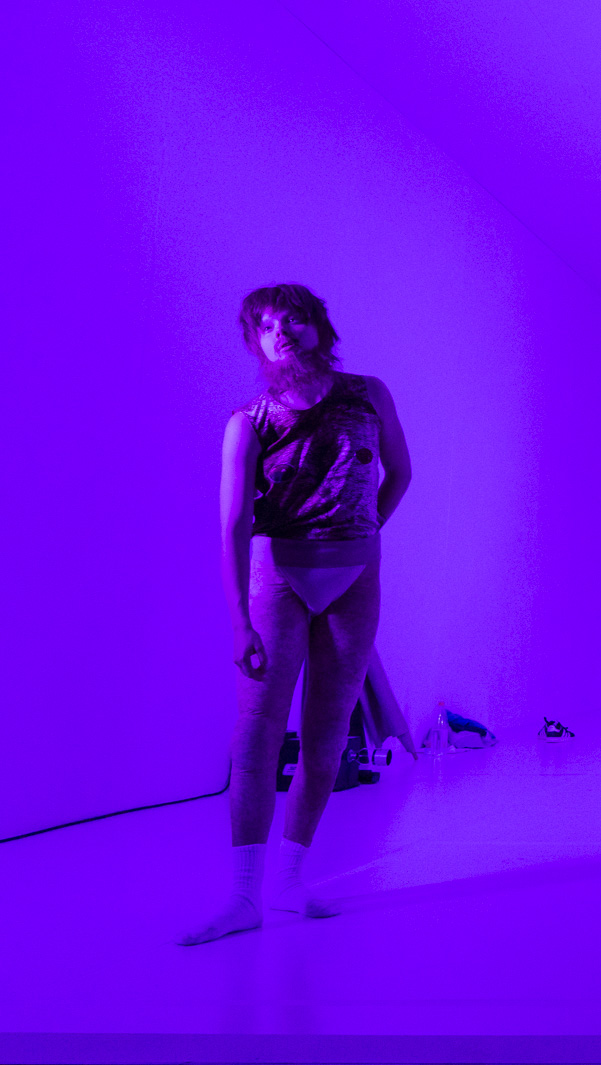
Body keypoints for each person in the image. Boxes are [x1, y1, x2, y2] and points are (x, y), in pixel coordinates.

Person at [180, 284, 411, 944]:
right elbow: (232, 525)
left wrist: (361, 530)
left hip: (355, 577)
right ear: (255, 342)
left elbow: (400, 472)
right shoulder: (249, 421)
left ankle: (288, 880)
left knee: (327, 733)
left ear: (319, 327)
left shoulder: (368, 394)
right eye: (266, 325)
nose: (281, 331)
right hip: (278, 577)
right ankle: (243, 895)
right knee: (257, 731)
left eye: (295, 319)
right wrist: (239, 622)